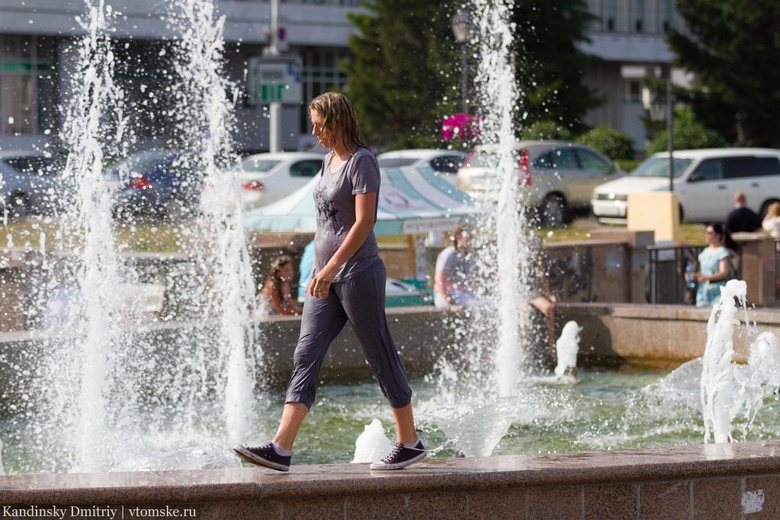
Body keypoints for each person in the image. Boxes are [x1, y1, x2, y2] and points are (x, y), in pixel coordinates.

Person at [233, 92, 425, 472]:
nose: (314, 130)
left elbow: (364, 222)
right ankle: (281, 447)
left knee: (379, 354)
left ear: (339, 121)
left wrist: (332, 267)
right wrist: (317, 269)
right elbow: (327, 223)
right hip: (325, 278)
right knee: (305, 354)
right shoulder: (327, 160)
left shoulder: (362, 161)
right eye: (313, 123)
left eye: (320, 123)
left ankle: (410, 442)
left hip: (357, 274)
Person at [433, 223, 483, 312]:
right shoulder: (449, 254)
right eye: (469, 237)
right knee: (475, 306)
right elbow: (440, 281)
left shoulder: (468, 255)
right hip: (444, 295)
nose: (472, 241)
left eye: (472, 237)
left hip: (461, 293)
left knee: (486, 305)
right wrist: (450, 304)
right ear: (459, 237)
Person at [695, 222, 738, 307]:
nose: (707, 235)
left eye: (710, 233)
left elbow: (723, 272)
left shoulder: (722, 252)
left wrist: (708, 278)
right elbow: (704, 272)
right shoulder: (704, 252)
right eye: (706, 233)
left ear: (718, 235)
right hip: (703, 289)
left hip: (717, 289)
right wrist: (694, 275)